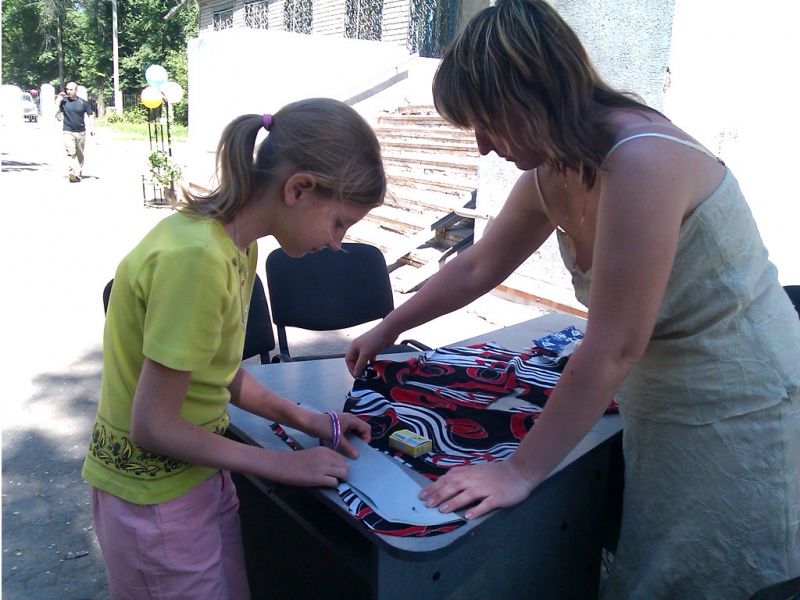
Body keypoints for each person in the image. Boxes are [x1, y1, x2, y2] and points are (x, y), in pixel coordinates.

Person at [345, 1, 800, 598]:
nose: (482, 147)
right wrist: (389, 327)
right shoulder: (554, 171)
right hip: (659, 400)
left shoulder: (642, 160)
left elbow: (613, 347)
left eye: (487, 124)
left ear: (528, 96)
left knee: (726, 573)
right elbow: (478, 266)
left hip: (745, 405)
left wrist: (519, 471)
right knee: (663, 565)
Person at [82, 98, 383, 598]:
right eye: (339, 223)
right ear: (299, 188)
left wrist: (308, 419)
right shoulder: (196, 259)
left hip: (198, 475)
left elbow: (216, 372)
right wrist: (284, 465)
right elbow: (153, 425)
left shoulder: (239, 244)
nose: (337, 243)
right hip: (153, 502)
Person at [56, 81, 95, 182]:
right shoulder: (64, 102)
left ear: (76, 90)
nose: (68, 91)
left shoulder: (83, 103)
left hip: (81, 131)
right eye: (67, 89)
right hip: (68, 131)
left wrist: (92, 128)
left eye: (71, 89)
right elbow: (56, 113)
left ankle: (78, 171)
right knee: (70, 152)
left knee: (79, 153)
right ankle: (72, 172)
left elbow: (90, 115)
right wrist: (58, 101)